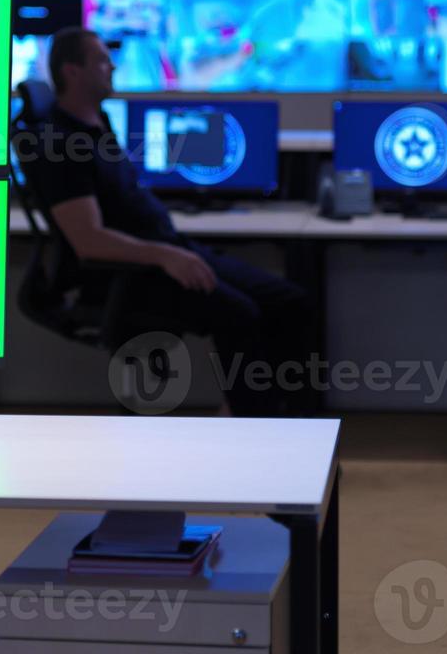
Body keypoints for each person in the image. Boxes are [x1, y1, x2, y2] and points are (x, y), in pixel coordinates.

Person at [30, 26, 311, 417]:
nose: (112, 66)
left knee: (289, 302)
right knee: (240, 316)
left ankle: (288, 422)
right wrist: (165, 255)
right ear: (72, 72)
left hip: (167, 250)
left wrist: (171, 248)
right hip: (130, 272)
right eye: (101, 60)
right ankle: (251, 428)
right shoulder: (57, 144)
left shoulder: (98, 125)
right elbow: (88, 241)